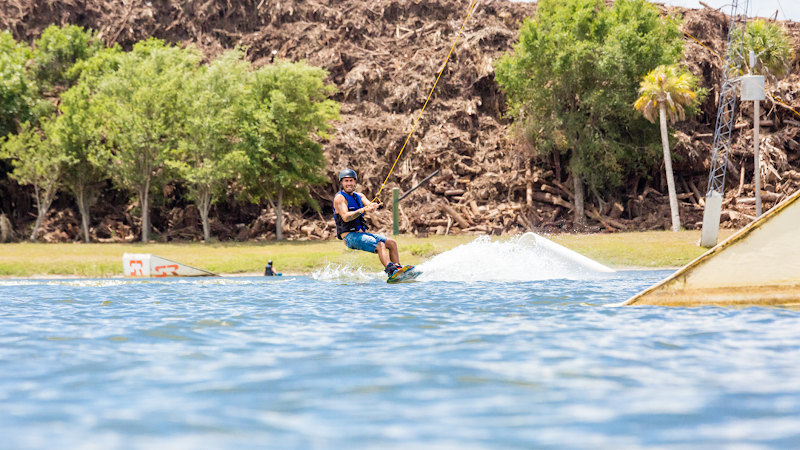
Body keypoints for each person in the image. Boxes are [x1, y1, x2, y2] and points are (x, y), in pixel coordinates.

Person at [334, 168, 404, 278]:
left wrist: (373, 206)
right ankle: (391, 271)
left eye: (351, 180)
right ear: (341, 183)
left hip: (362, 234)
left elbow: (369, 206)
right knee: (380, 245)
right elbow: (345, 217)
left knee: (392, 243)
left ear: (355, 182)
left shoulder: (359, 196)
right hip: (350, 237)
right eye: (346, 181)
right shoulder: (340, 198)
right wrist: (362, 210)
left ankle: (398, 269)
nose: (349, 183)